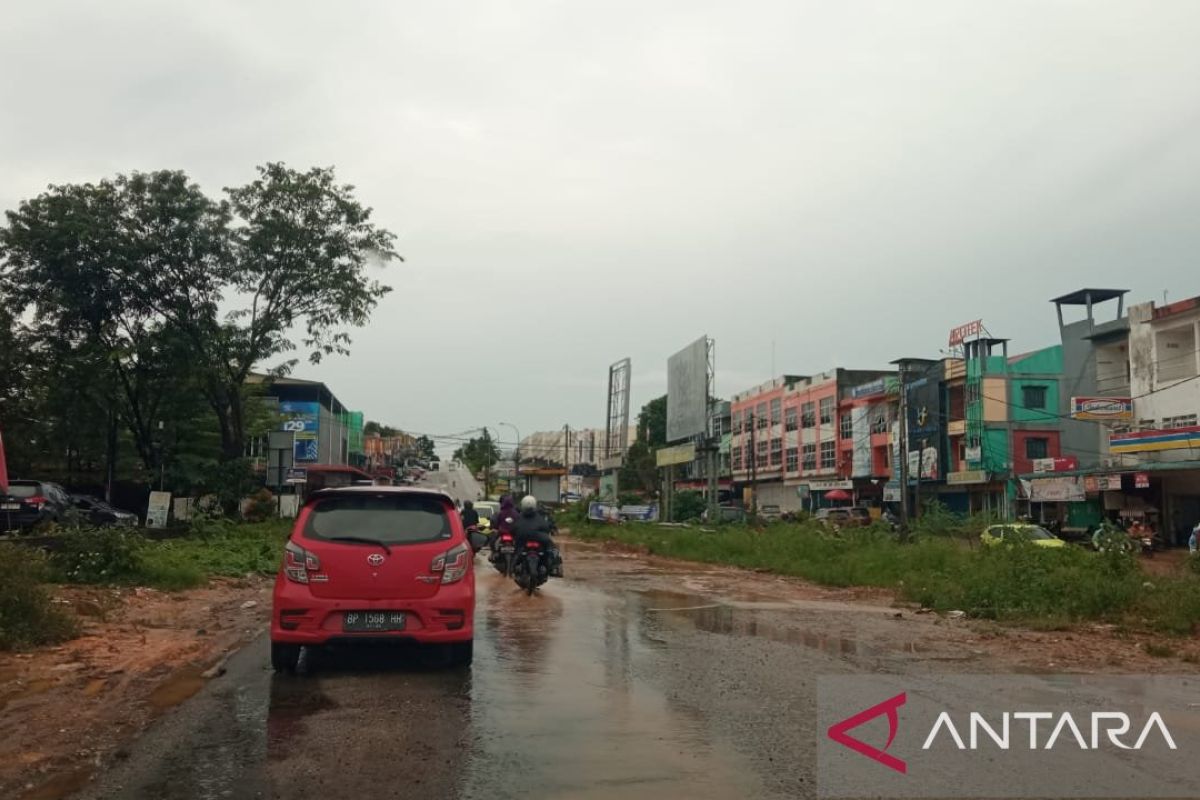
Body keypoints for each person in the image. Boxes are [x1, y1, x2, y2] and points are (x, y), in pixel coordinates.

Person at [511, 495, 564, 577]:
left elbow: (513, 529)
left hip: (523, 540)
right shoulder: (539, 517)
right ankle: (554, 568)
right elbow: (546, 527)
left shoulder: (519, 517)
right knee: (552, 549)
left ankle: (512, 569)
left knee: (516, 551)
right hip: (539, 540)